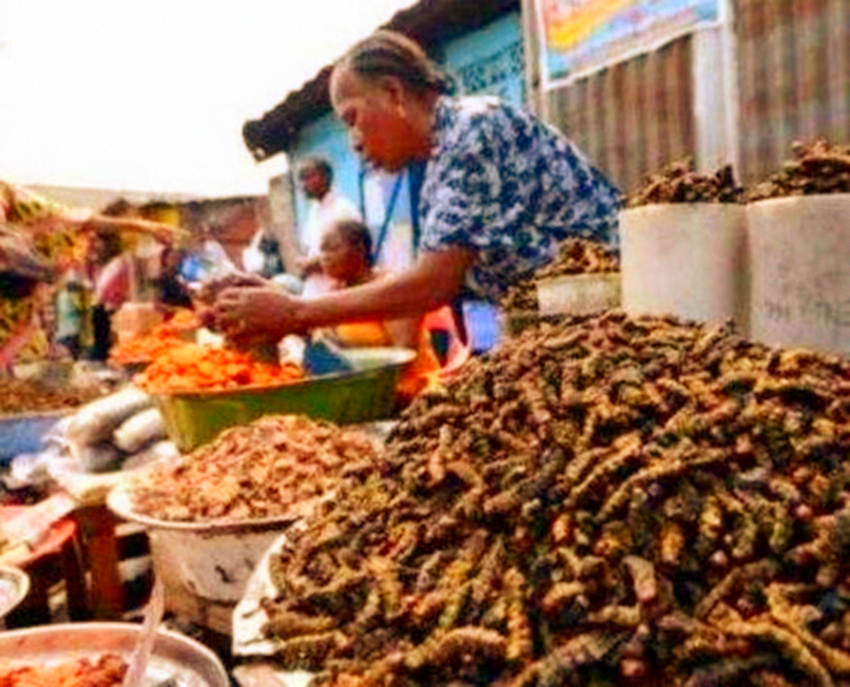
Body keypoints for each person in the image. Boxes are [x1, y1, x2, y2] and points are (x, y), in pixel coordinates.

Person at [215, 30, 620, 353]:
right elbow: (427, 276)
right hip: (562, 337)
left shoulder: (473, 129)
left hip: (614, 330)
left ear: (394, 94)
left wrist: (296, 312)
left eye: (353, 119)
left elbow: (432, 283)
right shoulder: (439, 163)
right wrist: (286, 305)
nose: (354, 142)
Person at [314, 218, 440, 405]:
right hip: (363, 391)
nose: (324, 256)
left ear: (360, 250)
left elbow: (405, 354)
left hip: (409, 393)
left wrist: (347, 355)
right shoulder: (334, 293)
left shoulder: (391, 291)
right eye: (322, 250)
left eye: (332, 248)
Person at [295, 157, 361, 297]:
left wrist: (311, 264)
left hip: (336, 292)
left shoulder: (343, 209)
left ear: (325, 177)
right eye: (301, 179)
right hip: (315, 290)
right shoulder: (314, 210)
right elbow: (310, 249)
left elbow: (349, 254)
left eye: (308, 177)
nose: (304, 184)